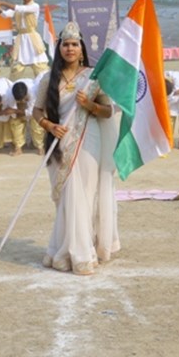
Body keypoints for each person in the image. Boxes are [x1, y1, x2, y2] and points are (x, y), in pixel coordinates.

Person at [32, 22, 118, 276]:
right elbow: (37, 111)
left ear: (82, 49)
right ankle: (62, 249)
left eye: (74, 44)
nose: (69, 49)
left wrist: (89, 105)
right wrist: (49, 126)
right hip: (59, 143)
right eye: (65, 44)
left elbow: (109, 111)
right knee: (66, 197)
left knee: (85, 195)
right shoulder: (48, 79)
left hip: (88, 140)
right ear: (59, 48)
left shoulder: (93, 78)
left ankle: (83, 252)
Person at [0, 0, 50, 79]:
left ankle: (46, 85)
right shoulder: (18, 9)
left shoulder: (35, 6)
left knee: (40, 68)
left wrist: (2, 2)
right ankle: (13, 85)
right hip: (21, 39)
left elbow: (20, 8)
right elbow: (4, 14)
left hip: (33, 39)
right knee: (16, 68)